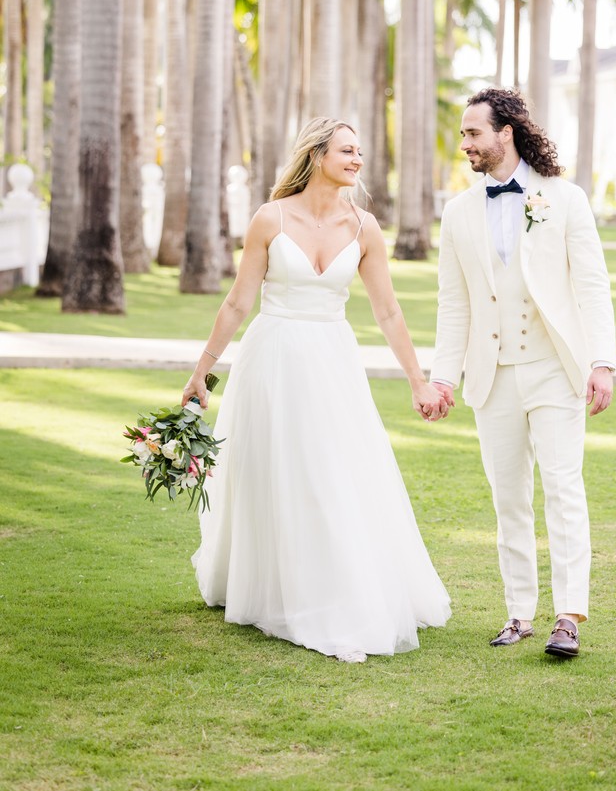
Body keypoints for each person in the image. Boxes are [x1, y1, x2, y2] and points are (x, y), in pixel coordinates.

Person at [182, 117, 451, 663]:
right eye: (347, 150)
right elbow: (237, 302)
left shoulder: (364, 227)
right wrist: (200, 374)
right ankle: (273, 584)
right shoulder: (271, 218)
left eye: (359, 151)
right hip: (272, 358)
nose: (357, 159)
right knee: (278, 470)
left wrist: (418, 381)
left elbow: (388, 311)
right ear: (316, 155)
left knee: (332, 471)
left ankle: (334, 588)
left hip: (333, 361)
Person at [430, 88, 615, 660]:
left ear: (505, 132)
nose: (465, 144)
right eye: (464, 134)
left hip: (555, 368)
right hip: (492, 376)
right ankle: (518, 614)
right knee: (508, 498)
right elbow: (453, 303)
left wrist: (602, 362)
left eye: (473, 133)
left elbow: (591, 285)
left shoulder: (565, 198)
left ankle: (568, 616)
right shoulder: (458, 212)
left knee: (563, 489)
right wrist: (443, 377)